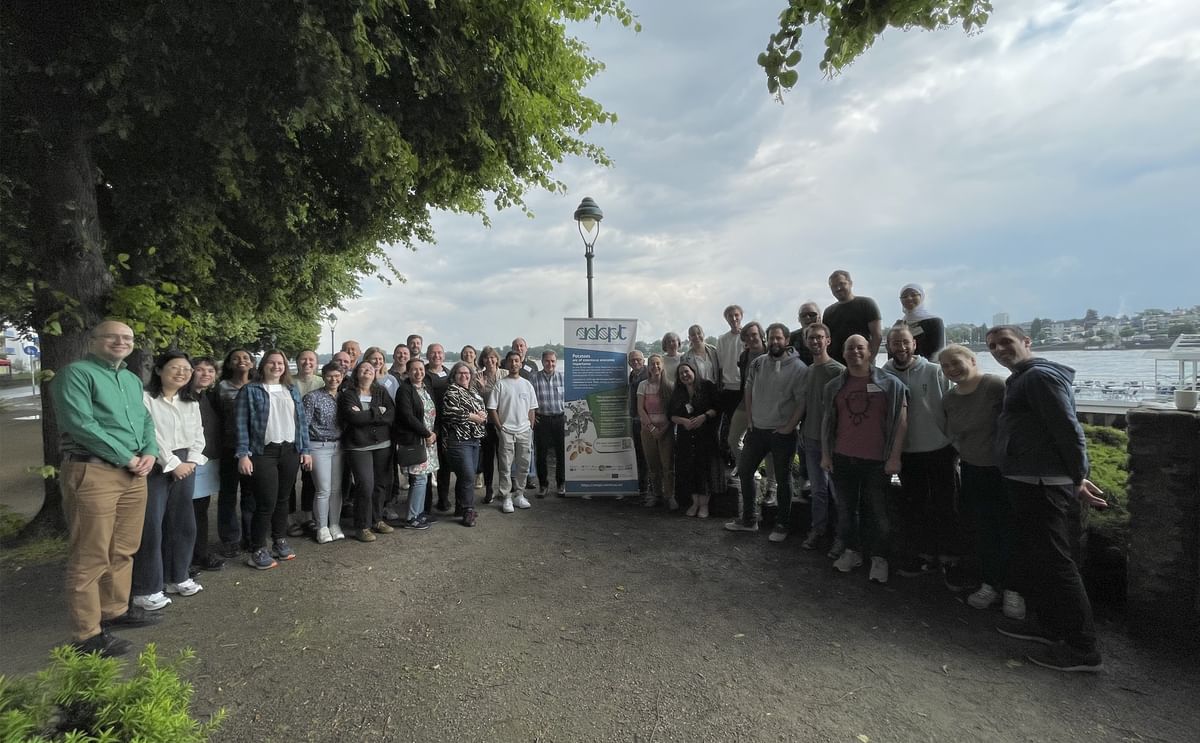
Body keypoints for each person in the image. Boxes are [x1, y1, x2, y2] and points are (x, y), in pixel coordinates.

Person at [986, 325, 1107, 673]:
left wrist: (1078, 477)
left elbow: (1068, 429)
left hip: (1042, 482)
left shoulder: (1039, 378)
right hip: (1027, 478)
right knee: (1039, 556)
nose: (998, 350)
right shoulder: (1023, 378)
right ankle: (1052, 627)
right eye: (993, 346)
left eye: (1005, 342)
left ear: (1027, 342)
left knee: (1056, 561)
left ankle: (1083, 648)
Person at [52, 320, 161, 657]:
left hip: (132, 472)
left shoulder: (129, 379)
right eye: (112, 336)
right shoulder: (76, 374)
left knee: (124, 547)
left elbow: (144, 420)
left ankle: (114, 610)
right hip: (94, 470)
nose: (120, 341)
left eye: (127, 337)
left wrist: (149, 452)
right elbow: (79, 423)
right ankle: (86, 634)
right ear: (94, 340)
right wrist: (127, 456)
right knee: (91, 552)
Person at [937, 344, 1025, 619]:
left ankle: (1014, 589)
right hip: (973, 469)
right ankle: (989, 584)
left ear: (972, 360)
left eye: (955, 362)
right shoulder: (949, 399)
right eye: (945, 367)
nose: (951, 370)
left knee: (1010, 529)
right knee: (984, 529)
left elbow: (1018, 424)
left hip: (1004, 471)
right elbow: (951, 432)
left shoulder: (995, 386)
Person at [821, 335, 908, 584]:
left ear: (870, 352)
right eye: (850, 348)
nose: (855, 352)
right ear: (844, 353)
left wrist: (894, 457)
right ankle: (852, 552)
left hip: (877, 460)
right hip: (842, 457)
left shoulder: (890, 384)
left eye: (860, 347)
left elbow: (901, 422)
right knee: (847, 510)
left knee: (878, 512)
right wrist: (826, 454)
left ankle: (880, 558)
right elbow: (828, 422)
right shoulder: (835, 386)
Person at [882, 325, 961, 586]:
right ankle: (924, 555)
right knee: (914, 506)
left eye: (905, 342)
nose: (900, 348)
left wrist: (956, 442)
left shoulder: (935, 371)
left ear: (914, 344)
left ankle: (950, 558)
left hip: (939, 448)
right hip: (907, 451)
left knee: (945, 504)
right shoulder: (884, 374)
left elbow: (953, 403)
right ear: (888, 346)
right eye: (895, 343)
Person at [133, 350, 207, 609]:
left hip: (187, 462)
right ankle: (147, 588)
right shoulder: (144, 399)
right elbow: (149, 434)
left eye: (187, 370)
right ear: (158, 370)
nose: (182, 373)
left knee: (183, 522)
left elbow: (199, 434)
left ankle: (179, 576)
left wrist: (191, 460)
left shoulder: (191, 402)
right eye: (175, 368)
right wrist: (172, 463)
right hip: (154, 464)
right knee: (151, 526)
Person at [724, 324, 807, 542]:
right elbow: (748, 390)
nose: (774, 342)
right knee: (745, 471)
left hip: (783, 434)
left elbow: (802, 401)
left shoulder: (798, 368)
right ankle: (749, 519)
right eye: (771, 339)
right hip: (757, 430)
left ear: (787, 339)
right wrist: (750, 419)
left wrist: (789, 427)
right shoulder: (758, 363)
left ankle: (782, 524)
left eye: (778, 338)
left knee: (783, 478)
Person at [235, 350, 312, 570]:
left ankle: (279, 540)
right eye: (272, 362)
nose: (276, 366)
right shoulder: (250, 390)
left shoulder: (291, 389)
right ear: (263, 365)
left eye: (280, 363)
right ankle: (258, 548)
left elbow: (301, 422)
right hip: (263, 452)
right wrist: (243, 454)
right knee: (266, 501)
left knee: (283, 499)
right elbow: (241, 425)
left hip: (289, 450)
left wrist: (305, 450)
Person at [793, 323, 843, 551]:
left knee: (838, 491)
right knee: (818, 490)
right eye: (811, 338)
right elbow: (807, 405)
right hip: (810, 438)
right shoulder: (809, 370)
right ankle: (819, 529)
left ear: (828, 340)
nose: (815, 341)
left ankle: (842, 537)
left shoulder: (838, 371)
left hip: (833, 442)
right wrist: (802, 430)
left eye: (819, 337)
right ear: (805, 342)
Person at [339, 360, 395, 542]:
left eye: (370, 369)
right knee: (365, 484)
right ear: (356, 373)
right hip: (358, 446)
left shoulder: (381, 392)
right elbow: (353, 418)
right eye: (363, 369)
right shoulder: (348, 394)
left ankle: (377, 520)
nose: (367, 371)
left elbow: (390, 416)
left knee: (380, 484)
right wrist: (376, 412)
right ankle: (362, 526)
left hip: (382, 445)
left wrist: (366, 415)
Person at [215, 348, 256, 557]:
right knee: (228, 494)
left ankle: (250, 536)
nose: (241, 361)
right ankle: (230, 538)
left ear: (252, 363)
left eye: (246, 358)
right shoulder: (220, 388)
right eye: (236, 358)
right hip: (229, 447)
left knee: (251, 495)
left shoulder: (258, 386)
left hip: (255, 449)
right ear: (229, 364)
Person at [669, 361, 721, 518]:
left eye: (687, 371)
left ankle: (704, 506)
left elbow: (717, 408)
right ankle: (695, 503)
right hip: (686, 437)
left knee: (704, 470)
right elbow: (670, 415)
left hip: (705, 435)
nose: (685, 375)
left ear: (694, 371)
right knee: (689, 470)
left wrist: (703, 417)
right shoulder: (678, 392)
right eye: (681, 373)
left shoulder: (707, 386)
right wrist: (683, 421)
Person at [488, 351, 538, 514]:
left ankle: (519, 494)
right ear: (506, 364)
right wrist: (500, 427)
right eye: (511, 361)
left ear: (521, 363)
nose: (514, 363)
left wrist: (530, 426)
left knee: (523, 465)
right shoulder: (500, 384)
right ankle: (507, 497)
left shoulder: (527, 384)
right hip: (506, 431)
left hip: (524, 431)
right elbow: (492, 409)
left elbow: (532, 408)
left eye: (517, 361)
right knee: (505, 467)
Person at [188, 356, 226, 572]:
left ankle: (199, 553)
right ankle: (187, 557)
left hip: (207, 460)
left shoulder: (209, 396)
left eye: (210, 371)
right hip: (188, 461)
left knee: (200, 509)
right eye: (200, 370)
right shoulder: (183, 396)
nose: (205, 374)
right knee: (186, 511)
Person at [393, 357, 437, 530]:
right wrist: (426, 433)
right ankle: (412, 518)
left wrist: (433, 434)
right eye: (414, 370)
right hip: (415, 440)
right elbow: (407, 416)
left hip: (429, 440)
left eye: (421, 369)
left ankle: (419, 513)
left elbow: (433, 413)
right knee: (418, 479)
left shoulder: (426, 388)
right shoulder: (404, 390)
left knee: (424, 478)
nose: (418, 373)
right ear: (408, 372)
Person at [441, 361, 487, 526]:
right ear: (454, 375)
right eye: (460, 373)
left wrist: (482, 414)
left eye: (467, 373)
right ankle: (468, 510)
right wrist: (473, 417)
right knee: (467, 475)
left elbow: (482, 409)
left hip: (474, 439)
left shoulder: (473, 391)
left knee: (466, 475)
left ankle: (460, 507)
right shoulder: (451, 392)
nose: (464, 375)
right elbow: (449, 413)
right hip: (458, 440)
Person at [304, 362, 345, 543]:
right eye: (330, 375)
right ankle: (322, 527)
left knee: (336, 489)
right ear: (323, 376)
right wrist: (304, 451)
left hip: (339, 446)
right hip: (318, 446)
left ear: (342, 377)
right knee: (323, 489)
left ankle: (335, 524)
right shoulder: (312, 397)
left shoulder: (344, 397)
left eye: (337, 376)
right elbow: (303, 426)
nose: (333, 379)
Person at [725, 321, 768, 499]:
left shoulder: (770, 352)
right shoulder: (744, 356)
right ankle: (746, 468)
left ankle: (772, 485)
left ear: (761, 335)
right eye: (748, 336)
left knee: (769, 448)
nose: (751, 338)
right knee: (733, 438)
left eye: (754, 334)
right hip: (745, 402)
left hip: (767, 405)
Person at [290, 349, 322, 537]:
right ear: (297, 361)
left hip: (314, 437)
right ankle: (289, 518)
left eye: (311, 359)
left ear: (316, 363)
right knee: (289, 481)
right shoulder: (288, 382)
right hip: (291, 436)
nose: (307, 362)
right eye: (303, 359)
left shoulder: (321, 381)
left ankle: (308, 516)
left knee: (310, 479)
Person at [637, 354, 676, 510]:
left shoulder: (670, 385)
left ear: (662, 365)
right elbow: (640, 409)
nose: (655, 366)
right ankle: (656, 494)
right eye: (652, 364)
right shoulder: (643, 385)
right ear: (648, 367)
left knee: (668, 465)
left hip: (666, 430)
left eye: (658, 363)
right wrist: (652, 428)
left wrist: (664, 429)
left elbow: (672, 411)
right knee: (653, 465)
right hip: (648, 431)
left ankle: (670, 496)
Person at [823, 270, 882, 365]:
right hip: (837, 367)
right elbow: (826, 340)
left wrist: (868, 361)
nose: (838, 288)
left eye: (842, 284)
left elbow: (877, 336)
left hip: (862, 363)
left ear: (850, 283)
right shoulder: (828, 312)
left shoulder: (866, 304)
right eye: (834, 286)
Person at [532, 350, 567, 497]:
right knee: (541, 454)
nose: (550, 364)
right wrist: (533, 416)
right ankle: (543, 485)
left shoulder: (563, 378)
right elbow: (529, 401)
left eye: (552, 361)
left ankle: (561, 484)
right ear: (542, 362)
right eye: (547, 361)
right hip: (542, 420)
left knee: (561, 453)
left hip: (560, 419)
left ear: (556, 362)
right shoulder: (534, 378)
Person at [715, 305, 745, 466]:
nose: (733, 319)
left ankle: (747, 465)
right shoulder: (722, 340)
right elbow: (720, 367)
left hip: (745, 389)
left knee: (745, 431)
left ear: (741, 316)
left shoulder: (748, 337)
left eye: (736, 315)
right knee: (729, 430)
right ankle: (734, 463)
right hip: (728, 389)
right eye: (730, 316)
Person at [425, 343, 453, 512]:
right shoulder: (423, 373)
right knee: (427, 463)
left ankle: (443, 498)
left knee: (445, 463)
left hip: (445, 425)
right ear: (427, 355)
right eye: (433, 353)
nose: (437, 355)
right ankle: (426, 501)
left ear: (444, 355)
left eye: (439, 352)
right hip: (428, 425)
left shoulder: (449, 374)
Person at [473, 346, 504, 504]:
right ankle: (489, 488)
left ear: (497, 359)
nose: (490, 360)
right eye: (486, 357)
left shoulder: (504, 374)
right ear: (482, 360)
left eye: (493, 357)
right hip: (487, 424)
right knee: (488, 457)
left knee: (504, 457)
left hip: (504, 423)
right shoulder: (478, 376)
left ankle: (504, 488)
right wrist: (482, 389)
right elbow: (475, 401)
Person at [897, 284, 945, 360]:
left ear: (921, 297)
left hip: (928, 368)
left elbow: (938, 351)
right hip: (903, 369)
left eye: (913, 295)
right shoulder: (899, 324)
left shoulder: (934, 322)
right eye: (904, 297)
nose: (909, 298)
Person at [626, 349, 648, 498]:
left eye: (638, 359)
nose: (635, 362)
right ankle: (643, 487)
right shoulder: (632, 376)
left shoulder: (649, 374)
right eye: (632, 360)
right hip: (635, 420)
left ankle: (650, 488)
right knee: (640, 454)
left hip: (648, 420)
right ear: (629, 363)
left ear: (643, 360)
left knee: (650, 455)